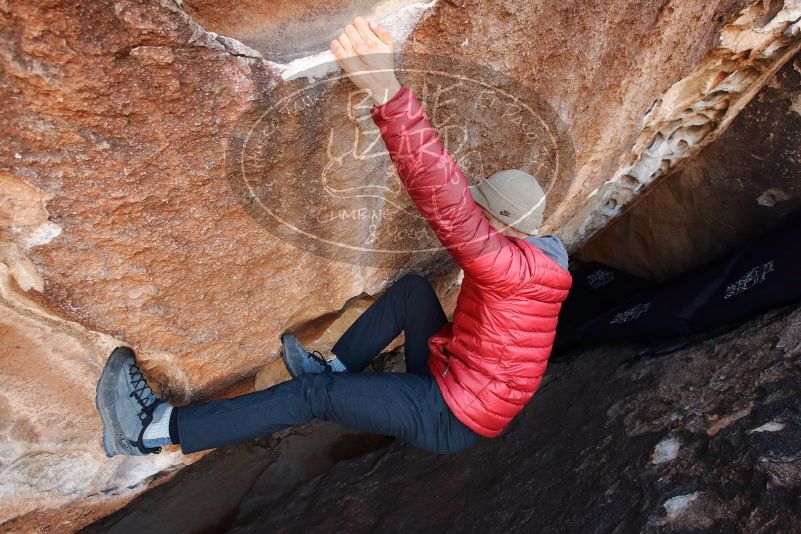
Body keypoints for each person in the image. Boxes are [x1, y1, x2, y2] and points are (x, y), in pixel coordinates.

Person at [95, 16, 572, 458]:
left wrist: (388, 94)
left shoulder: (509, 269)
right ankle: (337, 368)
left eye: (483, 210)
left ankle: (150, 429)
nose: (477, 215)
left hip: (450, 414)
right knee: (412, 293)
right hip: (457, 380)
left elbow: (446, 202)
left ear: (504, 224)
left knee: (312, 398)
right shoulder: (535, 260)